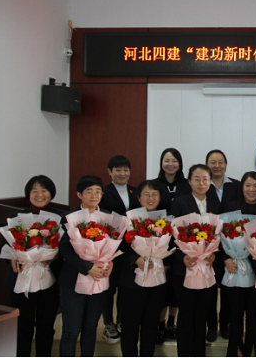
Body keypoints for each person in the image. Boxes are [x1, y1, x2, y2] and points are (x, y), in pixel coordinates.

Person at [2, 175, 67, 357]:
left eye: (44, 190)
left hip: (50, 280)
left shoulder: (61, 217)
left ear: (51, 193)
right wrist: (12, 259)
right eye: (35, 190)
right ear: (28, 194)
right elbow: (5, 245)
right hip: (21, 278)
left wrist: (55, 257)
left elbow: (67, 247)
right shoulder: (16, 217)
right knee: (23, 326)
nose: (39, 194)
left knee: (46, 326)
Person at [169, 164, 221, 357]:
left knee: (201, 316)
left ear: (210, 182)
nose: (201, 183)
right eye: (197, 179)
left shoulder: (215, 204)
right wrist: (182, 257)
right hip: (184, 269)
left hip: (206, 268)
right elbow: (171, 236)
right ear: (189, 181)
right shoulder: (180, 203)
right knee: (186, 315)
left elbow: (219, 236)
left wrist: (214, 254)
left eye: (205, 179)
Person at [59, 175, 114, 357]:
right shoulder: (69, 217)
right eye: (89, 191)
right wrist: (87, 267)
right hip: (73, 280)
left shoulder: (108, 217)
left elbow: (113, 247)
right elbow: (64, 249)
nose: (94, 195)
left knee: (91, 328)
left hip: (98, 279)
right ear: (79, 194)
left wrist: (110, 262)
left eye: (98, 191)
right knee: (71, 330)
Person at [119, 179, 169, 357]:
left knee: (151, 324)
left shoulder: (165, 221)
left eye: (154, 194)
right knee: (130, 325)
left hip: (156, 280)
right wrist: (135, 259)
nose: (150, 198)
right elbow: (117, 248)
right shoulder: (127, 219)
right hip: (131, 281)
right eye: (146, 194)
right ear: (139, 198)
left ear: (160, 197)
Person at [221, 172, 256, 357]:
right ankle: (235, 348)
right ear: (242, 188)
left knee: (254, 313)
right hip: (235, 268)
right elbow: (220, 236)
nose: (251, 189)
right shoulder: (231, 208)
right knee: (236, 312)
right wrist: (226, 257)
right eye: (248, 185)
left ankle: (253, 348)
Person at [99, 155, 141, 344]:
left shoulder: (135, 191)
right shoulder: (103, 192)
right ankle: (109, 323)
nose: (122, 173)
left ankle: (123, 320)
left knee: (126, 287)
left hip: (130, 248)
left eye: (125, 169)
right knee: (109, 288)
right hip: (109, 248)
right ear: (110, 172)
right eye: (118, 170)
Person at [205, 149, 240, 340]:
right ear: (207, 165)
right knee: (209, 289)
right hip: (206, 247)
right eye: (213, 162)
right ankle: (211, 325)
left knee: (228, 289)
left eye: (220, 162)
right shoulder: (202, 185)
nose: (217, 166)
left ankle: (225, 323)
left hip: (231, 246)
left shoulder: (236, 186)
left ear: (226, 164)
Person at [155, 148, 186, 341]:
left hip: (183, 243)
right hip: (160, 242)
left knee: (176, 287)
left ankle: (172, 323)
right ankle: (159, 324)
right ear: (161, 162)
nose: (170, 164)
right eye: (167, 160)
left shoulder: (186, 185)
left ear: (180, 163)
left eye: (174, 160)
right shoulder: (155, 185)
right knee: (163, 287)